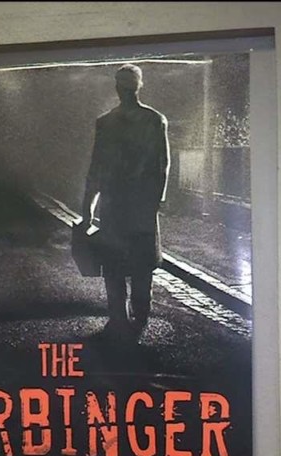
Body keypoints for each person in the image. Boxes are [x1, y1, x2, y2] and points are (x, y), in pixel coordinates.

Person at [81, 64, 170, 340]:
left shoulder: (105, 122)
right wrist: (158, 199)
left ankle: (118, 318)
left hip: (114, 205)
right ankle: (140, 316)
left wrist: (87, 208)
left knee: (114, 266)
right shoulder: (155, 120)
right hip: (142, 206)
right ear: (139, 86)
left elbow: (96, 168)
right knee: (142, 267)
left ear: (117, 88)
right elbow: (163, 165)